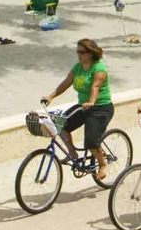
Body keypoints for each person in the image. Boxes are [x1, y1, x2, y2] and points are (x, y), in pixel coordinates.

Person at [41, 38, 115, 186]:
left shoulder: (99, 69)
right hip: (83, 106)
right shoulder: (78, 67)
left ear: (91, 53)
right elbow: (66, 83)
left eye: (82, 52)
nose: (79, 55)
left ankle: (102, 164)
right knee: (61, 125)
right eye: (78, 52)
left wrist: (92, 102)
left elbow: (95, 87)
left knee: (91, 141)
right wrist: (50, 96)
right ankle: (73, 153)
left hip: (100, 107)